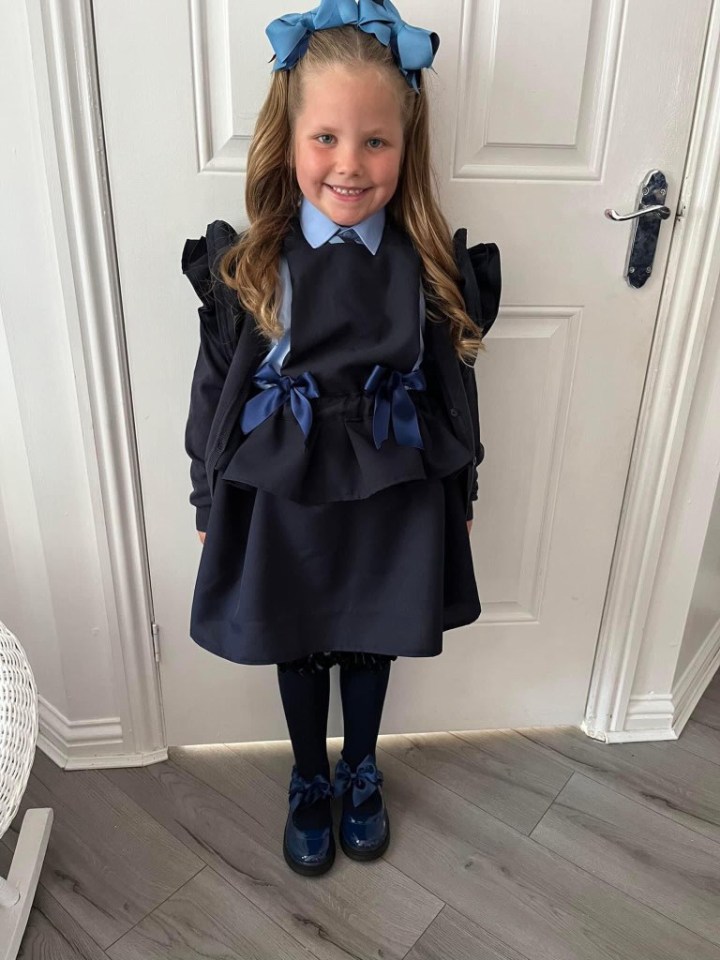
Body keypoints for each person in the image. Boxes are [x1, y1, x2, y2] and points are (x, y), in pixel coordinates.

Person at [181, 0, 501, 878]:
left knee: (368, 638)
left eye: (374, 142)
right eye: (325, 138)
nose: (349, 166)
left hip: (393, 493)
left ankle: (362, 766)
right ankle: (309, 773)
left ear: (407, 146)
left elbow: (453, 394)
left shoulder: (424, 266)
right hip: (283, 494)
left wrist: (462, 495)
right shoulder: (252, 264)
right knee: (299, 639)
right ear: (288, 142)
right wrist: (210, 498)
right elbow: (215, 393)